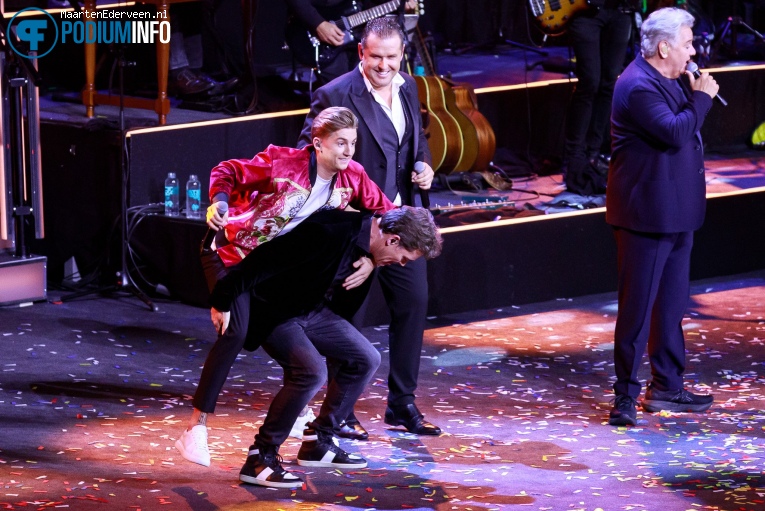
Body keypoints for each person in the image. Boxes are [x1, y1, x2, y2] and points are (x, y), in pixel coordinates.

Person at [174, 106, 395, 467]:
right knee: (234, 329)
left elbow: (385, 215)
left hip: (273, 270)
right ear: (318, 143)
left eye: (353, 143)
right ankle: (195, 428)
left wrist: (371, 259)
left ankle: (309, 428)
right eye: (340, 143)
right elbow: (227, 170)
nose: (348, 152)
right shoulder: (282, 163)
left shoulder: (353, 176)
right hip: (233, 254)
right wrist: (219, 202)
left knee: (312, 337)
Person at [208, 207, 443, 488]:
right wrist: (222, 300)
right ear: (392, 240)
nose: (401, 265)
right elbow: (261, 262)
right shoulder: (329, 230)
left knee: (366, 358)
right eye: (403, 258)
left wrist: (371, 261)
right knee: (311, 371)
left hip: (312, 311)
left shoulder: (369, 246)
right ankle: (260, 457)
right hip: (275, 310)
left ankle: (318, 441)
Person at [297, 17, 438, 439]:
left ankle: (402, 404)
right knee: (348, 319)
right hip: (355, 229)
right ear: (361, 52)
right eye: (375, 57)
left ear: (402, 55)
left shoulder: (408, 85)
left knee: (412, 306)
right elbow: (311, 153)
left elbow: (416, 137)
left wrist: (423, 163)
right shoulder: (335, 93)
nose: (383, 66)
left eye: (392, 58)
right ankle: (341, 410)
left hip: (403, 224)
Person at [606, 7, 719, 426]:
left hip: (676, 213)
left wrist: (695, 96)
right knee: (637, 309)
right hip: (646, 215)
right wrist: (702, 98)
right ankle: (624, 397)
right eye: (688, 43)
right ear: (664, 46)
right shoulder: (637, 85)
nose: (693, 51)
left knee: (670, 306)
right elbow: (674, 131)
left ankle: (667, 387)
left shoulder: (669, 79)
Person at [563, 0, 634, 196]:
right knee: (589, 82)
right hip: (584, 12)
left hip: (620, 10)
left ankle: (593, 154)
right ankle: (575, 157)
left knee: (609, 82)